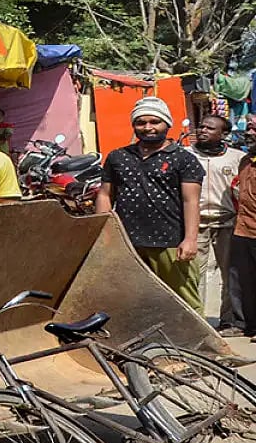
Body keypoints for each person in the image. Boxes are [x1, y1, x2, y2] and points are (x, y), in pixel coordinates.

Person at [95, 96, 204, 313]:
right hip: (128, 243)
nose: (148, 128)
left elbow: (190, 200)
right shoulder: (118, 157)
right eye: (141, 122)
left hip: (170, 244)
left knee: (184, 304)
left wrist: (190, 239)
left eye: (155, 122)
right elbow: (105, 195)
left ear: (167, 123)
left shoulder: (183, 159)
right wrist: (102, 234)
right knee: (133, 300)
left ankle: (197, 347)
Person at [190, 114, 246, 334]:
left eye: (210, 128)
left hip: (228, 223)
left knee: (231, 274)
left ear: (223, 134)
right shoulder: (186, 156)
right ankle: (196, 321)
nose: (203, 130)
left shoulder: (237, 158)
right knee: (195, 275)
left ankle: (230, 321)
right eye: (201, 126)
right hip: (196, 223)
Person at [231, 120, 256, 340]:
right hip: (243, 230)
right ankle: (249, 325)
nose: (249, 133)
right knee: (245, 282)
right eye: (249, 128)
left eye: (254, 129)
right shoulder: (245, 161)